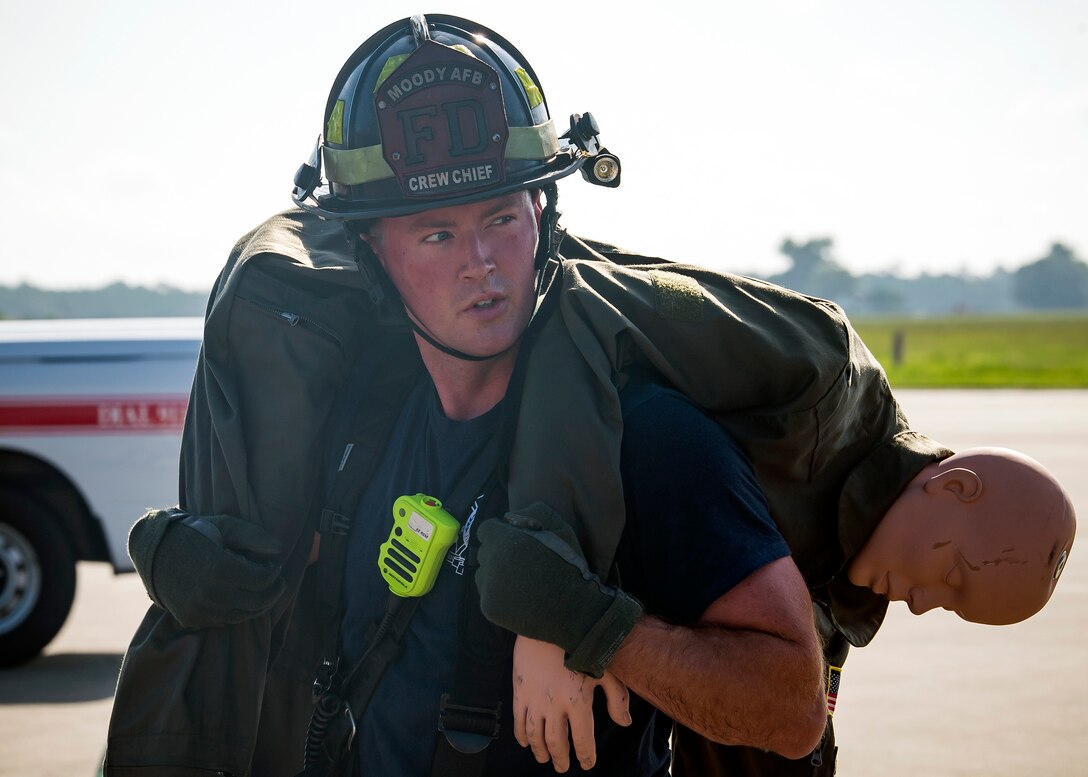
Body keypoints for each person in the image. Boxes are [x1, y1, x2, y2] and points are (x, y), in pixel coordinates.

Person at [105, 12, 1076, 777]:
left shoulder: (652, 443)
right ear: (370, 250)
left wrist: (595, 628)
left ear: (546, 212)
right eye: (433, 234)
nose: (481, 264)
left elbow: (785, 710)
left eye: (500, 215)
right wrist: (210, 568)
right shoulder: (347, 421)